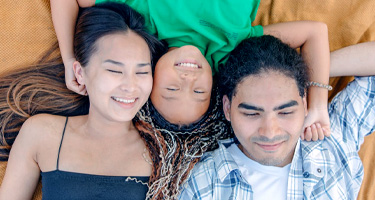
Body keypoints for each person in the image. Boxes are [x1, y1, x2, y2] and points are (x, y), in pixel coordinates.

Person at [51, 0, 331, 140]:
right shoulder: (233, 51)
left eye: (171, 89)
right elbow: (315, 33)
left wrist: (68, 59)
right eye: (199, 91)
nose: (187, 79)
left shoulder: (139, 25)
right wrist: (317, 107)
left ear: (150, 77)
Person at [0, 3, 165, 199]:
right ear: (80, 72)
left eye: (142, 72)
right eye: (114, 70)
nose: (130, 86)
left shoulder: (163, 150)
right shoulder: (41, 134)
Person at [179, 36, 375, 199]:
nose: (270, 132)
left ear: (305, 104)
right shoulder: (202, 181)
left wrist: (316, 73)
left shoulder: (334, 140)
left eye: (285, 112)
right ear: (227, 108)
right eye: (252, 114)